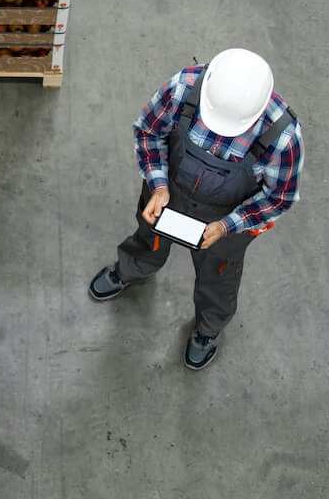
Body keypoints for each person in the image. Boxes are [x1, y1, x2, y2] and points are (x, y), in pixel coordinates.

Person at [88, 49, 303, 369]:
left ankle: (208, 329)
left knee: (219, 274)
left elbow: (278, 198)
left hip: (225, 220)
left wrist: (227, 226)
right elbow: (149, 132)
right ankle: (133, 267)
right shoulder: (183, 88)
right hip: (168, 193)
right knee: (149, 237)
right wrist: (159, 186)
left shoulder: (283, 138)